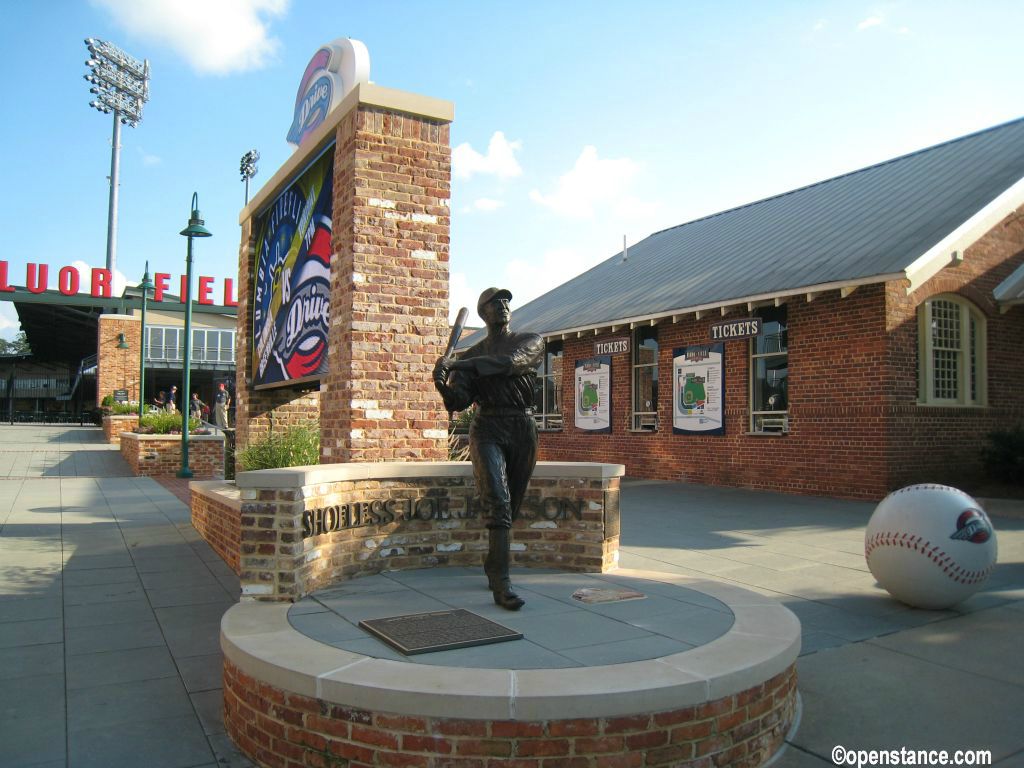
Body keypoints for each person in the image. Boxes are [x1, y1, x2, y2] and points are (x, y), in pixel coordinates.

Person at [433, 287, 544, 610]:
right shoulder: (468, 358)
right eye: (497, 303)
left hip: (522, 427)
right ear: (485, 312)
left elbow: (509, 363)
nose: (504, 306)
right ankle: (502, 582)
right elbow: (459, 401)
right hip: (487, 428)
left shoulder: (531, 339)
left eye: (507, 301)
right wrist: (442, 381)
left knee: (512, 507)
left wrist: (459, 365)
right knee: (498, 500)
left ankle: (493, 563)